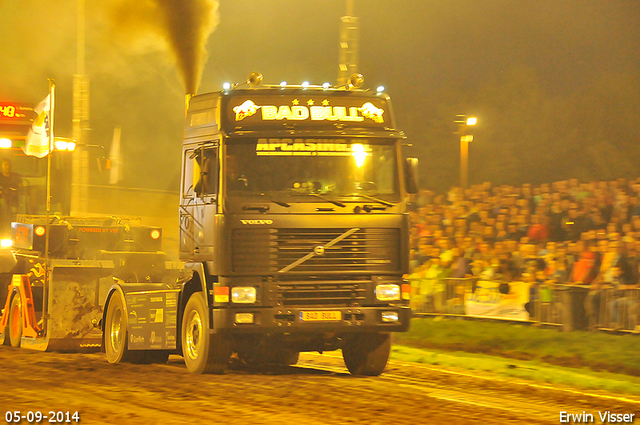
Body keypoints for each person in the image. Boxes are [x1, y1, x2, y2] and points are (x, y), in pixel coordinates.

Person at [0, 158, 21, 234]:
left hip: (14, 198)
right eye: (5, 165)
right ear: (1, 166)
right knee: (3, 206)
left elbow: (20, 185)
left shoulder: (15, 176)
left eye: (8, 165)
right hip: (2, 198)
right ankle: (4, 226)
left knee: (15, 212)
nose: (7, 166)